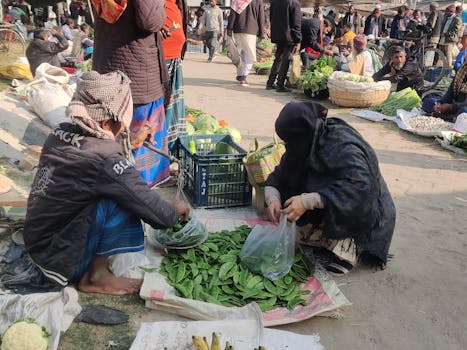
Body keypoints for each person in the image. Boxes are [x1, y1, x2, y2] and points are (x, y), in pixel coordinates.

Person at [23, 71, 190, 295]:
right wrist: (174, 210)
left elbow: (93, 159)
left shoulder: (59, 133)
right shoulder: (107, 160)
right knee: (125, 196)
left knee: (114, 186)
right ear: (107, 121)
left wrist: (130, 143)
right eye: (121, 121)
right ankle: (95, 276)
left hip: (39, 244)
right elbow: (160, 216)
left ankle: (94, 269)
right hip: (60, 260)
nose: (124, 126)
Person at [265, 101, 395, 275]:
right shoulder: (307, 139)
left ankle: (351, 249)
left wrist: (307, 201)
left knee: (337, 199)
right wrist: (272, 198)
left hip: (363, 206)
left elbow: (358, 189)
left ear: (303, 133)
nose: (289, 146)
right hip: (334, 193)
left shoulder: (342, 144)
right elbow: (280, 174)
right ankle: (324, 236)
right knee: (297, 182)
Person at [93, 0, 171, 188]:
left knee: (112, 143)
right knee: (139, 149)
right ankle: (139, 198)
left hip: (109, 71)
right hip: (137, 79)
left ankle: (116, 195)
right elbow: (149, 20)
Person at [161, 0, 188, 151]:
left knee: (171, 111)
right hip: (159, 58)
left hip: (174, 59)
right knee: (161, 109)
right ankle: (162, 150)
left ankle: (169, 150)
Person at [265, 0, 301, 92]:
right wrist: (298, 39)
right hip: (289, 36)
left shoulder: (274, 2)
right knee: (285, 60)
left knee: (278, 59)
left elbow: (271, 18)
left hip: (277, 34)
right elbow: (296, 23)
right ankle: (280, 85)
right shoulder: (294, 3)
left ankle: (270, 83)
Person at [227, 0, 265, 86]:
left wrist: (229, 29)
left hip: (237, 29)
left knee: (240, 53)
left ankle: (240, 74)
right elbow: (261, 17)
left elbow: (232, 15)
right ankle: (243, 77)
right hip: (251, 30)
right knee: (250, 55)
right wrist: (262, 33)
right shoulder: (258, 1)